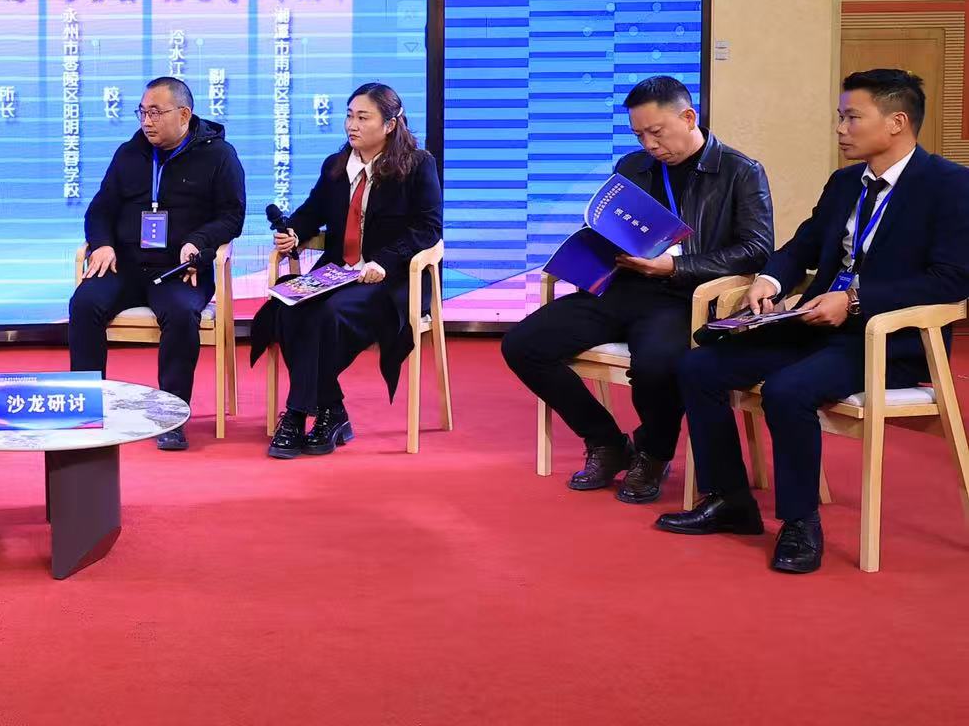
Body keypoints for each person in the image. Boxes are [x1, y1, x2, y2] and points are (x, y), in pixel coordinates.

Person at [657, 69, 969, 573]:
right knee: (698, 367)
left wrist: (856, 300)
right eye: (840, 117)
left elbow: (951, 280)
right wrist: (770, 280)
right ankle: (730, 499)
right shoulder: (846, 182)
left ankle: (800, 523)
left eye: (852, 118)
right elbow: (801, 245)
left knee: (787, 390)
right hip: (816, 323)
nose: (840, 129)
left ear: (896, 122)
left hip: (887, 341)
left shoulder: (951, 185)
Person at [501, 76, 773, 502]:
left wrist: (677, 266)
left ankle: (653, 453)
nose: (649, 144)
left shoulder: (740, 171)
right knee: (522, 345)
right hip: (623, 287)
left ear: (688, 117)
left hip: (686, 296)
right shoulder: (632, 167)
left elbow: (756, 249)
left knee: (657, 365)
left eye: (656, 132)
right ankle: (607, 442)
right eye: (639, 134)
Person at [251, 83, 441, 458]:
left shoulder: (417, 165)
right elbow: (312, 211)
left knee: (326, 314)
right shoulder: (337, 166)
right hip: (338, 274)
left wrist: (384, 261)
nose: (352, 125)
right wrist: (295, 232)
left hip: (392, 281)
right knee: (287, 306)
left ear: (390, 124)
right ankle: (330, 410)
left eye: (363, 117)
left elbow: (428, 228)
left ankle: (296, 414)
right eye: (349, 116)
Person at [67, 76, 246, 451]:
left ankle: (171, 415)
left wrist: (199, 242)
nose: (146, 121)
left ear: (184, 114)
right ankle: (85, 406)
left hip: (180, 270)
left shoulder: (219, 155)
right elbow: (100, 209)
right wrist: (102, 244)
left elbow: (232, 216)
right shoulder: (129, 153)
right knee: (84, 303)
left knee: (181, 314)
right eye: (142, 112)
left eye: (155, 113)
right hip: (125, 265)